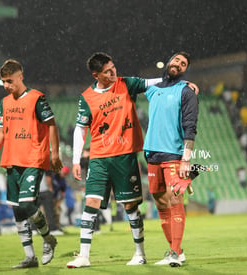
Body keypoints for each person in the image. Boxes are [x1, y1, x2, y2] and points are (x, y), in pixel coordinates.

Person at [66, 52, 162, 268]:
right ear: (96, 75)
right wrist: (75, 160)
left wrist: (181, 82)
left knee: (130, 205)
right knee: (90, 202)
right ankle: (83, 256)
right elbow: (80, 129)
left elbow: (154, 81)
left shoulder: (126, 84)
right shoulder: (87, 97)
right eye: (108, 72)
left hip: (125, 155)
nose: (113, 73)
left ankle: (139, 253)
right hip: (99, 157)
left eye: (113, 68)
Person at [0, 59, 63, 269]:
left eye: (9, 80)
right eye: (3, 82)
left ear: (21, 76)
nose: (7, 85)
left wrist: (55, 154)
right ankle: (30, 257)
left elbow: (52, 125)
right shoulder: (5, 103)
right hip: (11, 160)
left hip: (33, 159)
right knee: (18, 211)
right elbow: (0, 132)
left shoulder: (37, 98)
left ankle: (48, 239)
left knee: (27, 204)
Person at [143, 52, 199, 267]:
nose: (179, 64)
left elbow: (190, 127)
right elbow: (132, 84)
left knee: (175, 199)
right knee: (159, 200)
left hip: (174, 155)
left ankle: (174, 252)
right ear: (168, 62)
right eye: (176, 60)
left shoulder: (186, 92)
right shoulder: (152, 89)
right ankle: (177, 251)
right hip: (152, 153)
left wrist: (186, 159)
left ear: (185, 70)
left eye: (183, 63)